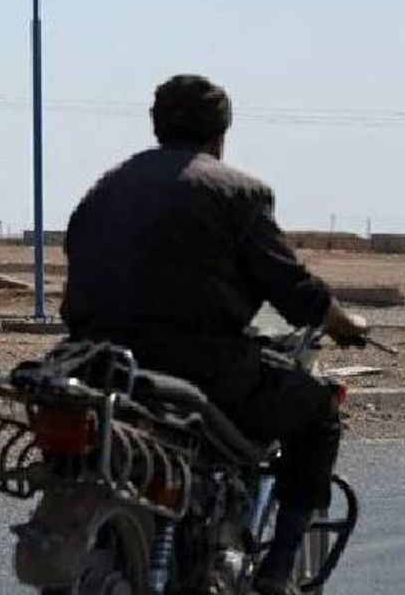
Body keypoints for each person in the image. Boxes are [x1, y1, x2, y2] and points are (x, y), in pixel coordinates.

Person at [59, 74, 369, 595]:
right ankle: (277, 573)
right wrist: (343, 323)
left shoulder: (106, 188)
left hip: (99, 363)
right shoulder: (236, 192)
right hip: (202, 369)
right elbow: (291, 287)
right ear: (220, 135)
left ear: (157, 125)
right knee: (318, 412)